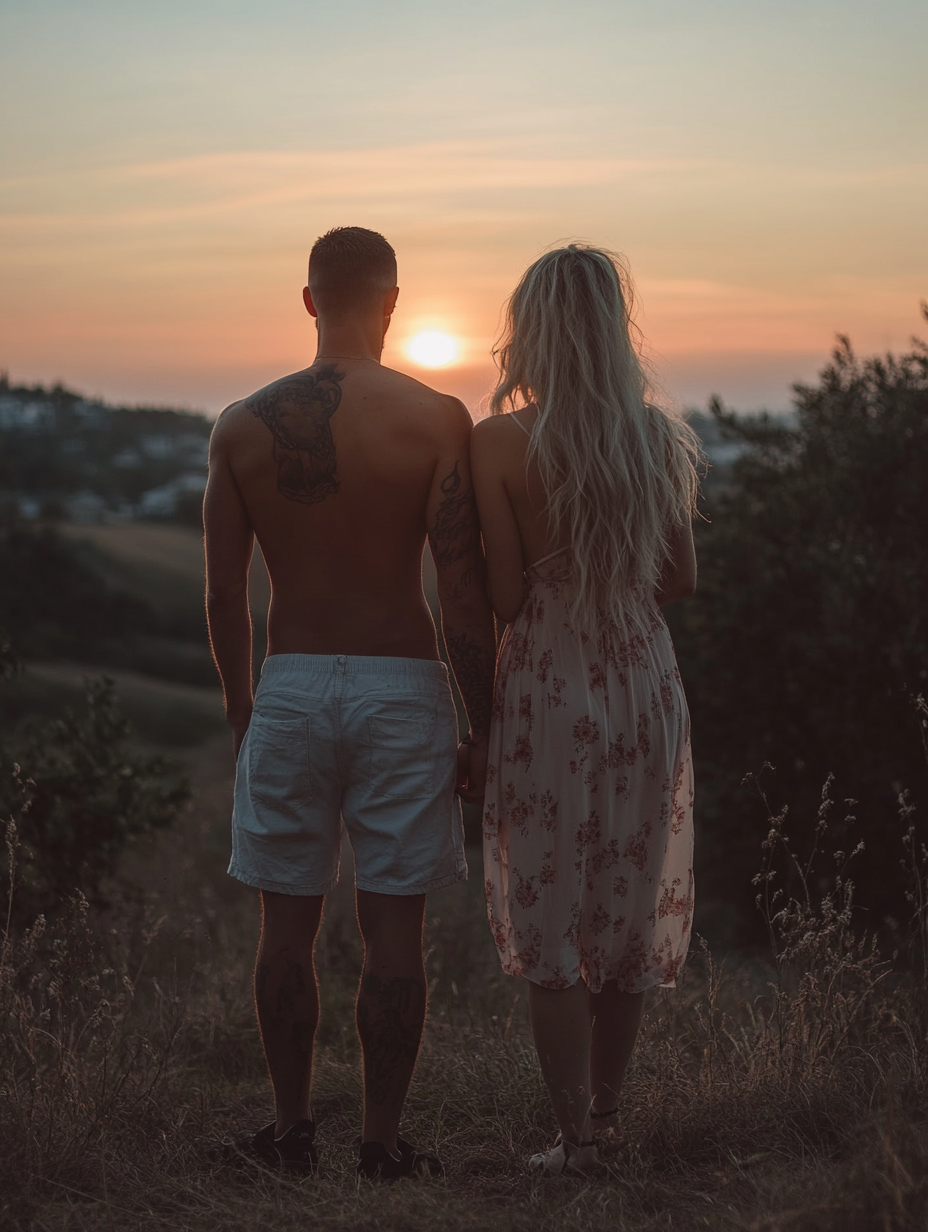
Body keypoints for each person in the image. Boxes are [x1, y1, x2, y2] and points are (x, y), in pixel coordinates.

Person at [204, 226, 496, 1180]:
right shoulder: (437, 419)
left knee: (284, 925)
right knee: (394, 927)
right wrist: (480, 721)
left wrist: (245, 707)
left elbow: (221, 594)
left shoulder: (242, 426)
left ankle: (291, 1133)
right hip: (402, 685)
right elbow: (461, 587)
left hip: (290, 683)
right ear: (393, 302)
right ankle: (379, 1142)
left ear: (308, 300)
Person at [471, 245, 699, 1176]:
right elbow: (681, 578)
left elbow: (500, 596)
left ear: (529, 331)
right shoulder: (656, 437)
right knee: (625, 909)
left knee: (551, 920)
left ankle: (574, 1144)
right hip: (644, 678)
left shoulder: (497, 443)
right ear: (614, 328)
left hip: (547, 683)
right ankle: (605, 1120)